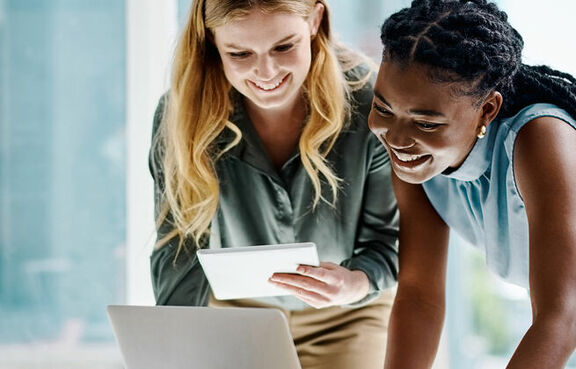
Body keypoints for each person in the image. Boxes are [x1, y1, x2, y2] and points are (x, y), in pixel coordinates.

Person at [148, 1, 399, 368]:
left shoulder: (371, 103)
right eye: (239, 53)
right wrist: (177, 345)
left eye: (284, 46)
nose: (266, 71)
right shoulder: (181, 115)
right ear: (211, 41)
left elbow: (388, 241)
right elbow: (179, 246)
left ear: (315, 20)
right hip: (236, 313)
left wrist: (356, 282)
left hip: (348, 313)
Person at [368, 0, 576, 367]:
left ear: (488, 109)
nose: (397, 138)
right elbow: (420, 296)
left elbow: (563, 314)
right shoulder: (415, 161)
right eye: (383, 108)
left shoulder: (539, 138)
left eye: (426, 123)